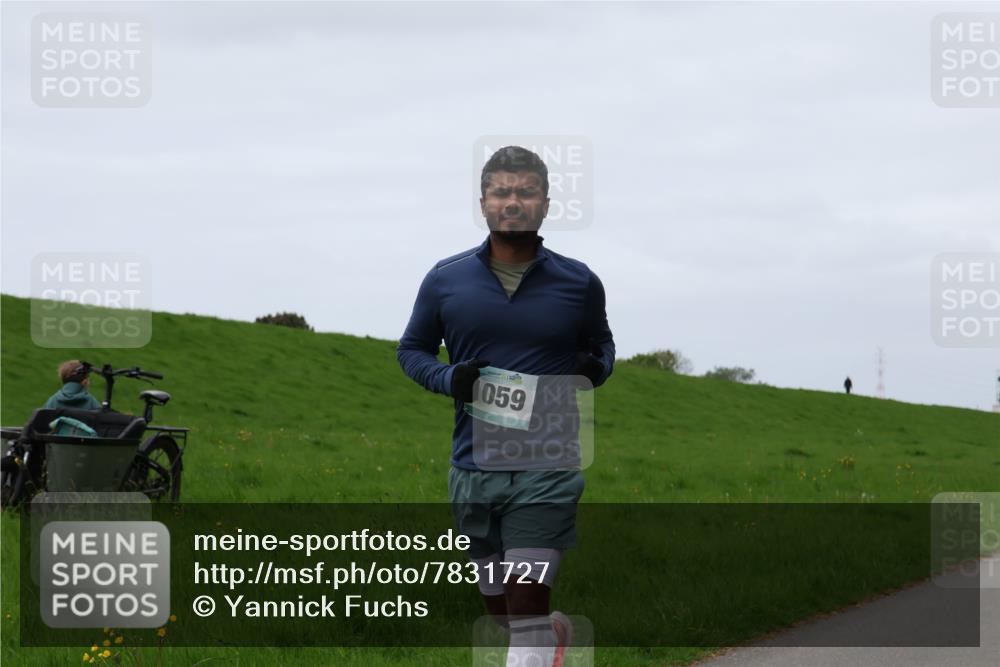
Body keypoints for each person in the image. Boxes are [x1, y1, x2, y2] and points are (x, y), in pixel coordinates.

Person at [397, 146, 615, 667]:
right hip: (474, 467)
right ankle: (555, 634)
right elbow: (411, 351)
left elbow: (604, 347)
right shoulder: (445, 280)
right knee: (505, 614)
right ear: (483, 203)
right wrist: (449, 377)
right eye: (501, 192)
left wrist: (592, 368)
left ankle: (539, 635)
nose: (513, 201)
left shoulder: (579, 282)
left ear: (545, 204)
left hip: (548, 466)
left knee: (526, 606)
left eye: (526, 191)